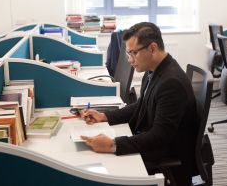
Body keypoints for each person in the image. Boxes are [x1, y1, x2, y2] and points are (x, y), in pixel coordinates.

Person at [80, 22, 198, 185]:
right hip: (153, 140)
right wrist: (105, 116)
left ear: (152, 48)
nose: (129, 60)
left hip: (167, 152)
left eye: (133, 53)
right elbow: (142, 105)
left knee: (100, 164)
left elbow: (160, 136)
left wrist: (113, 145)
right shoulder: (154, 70)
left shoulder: (171, 83)